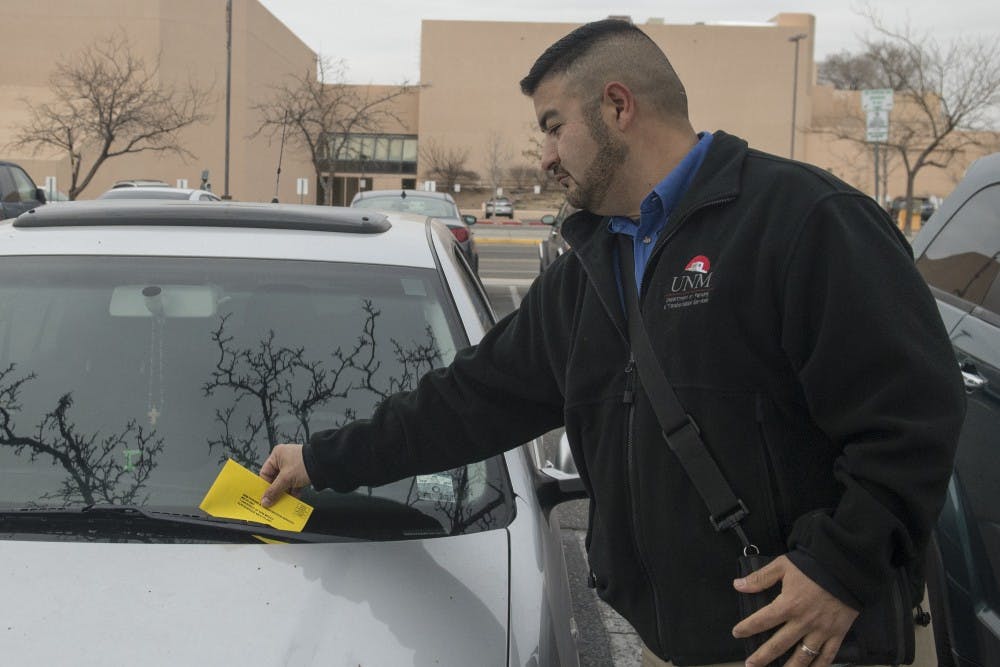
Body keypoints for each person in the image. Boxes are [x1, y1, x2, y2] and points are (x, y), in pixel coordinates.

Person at [259, 19, 965, 667]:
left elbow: (914, 416)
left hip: (813, 640)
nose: (544, 158)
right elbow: (465, 402)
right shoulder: (587, 276)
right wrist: (320, 458)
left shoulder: (804, 222)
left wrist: (841, 567)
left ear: (619, 106)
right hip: (671, 647)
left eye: (553, 126)